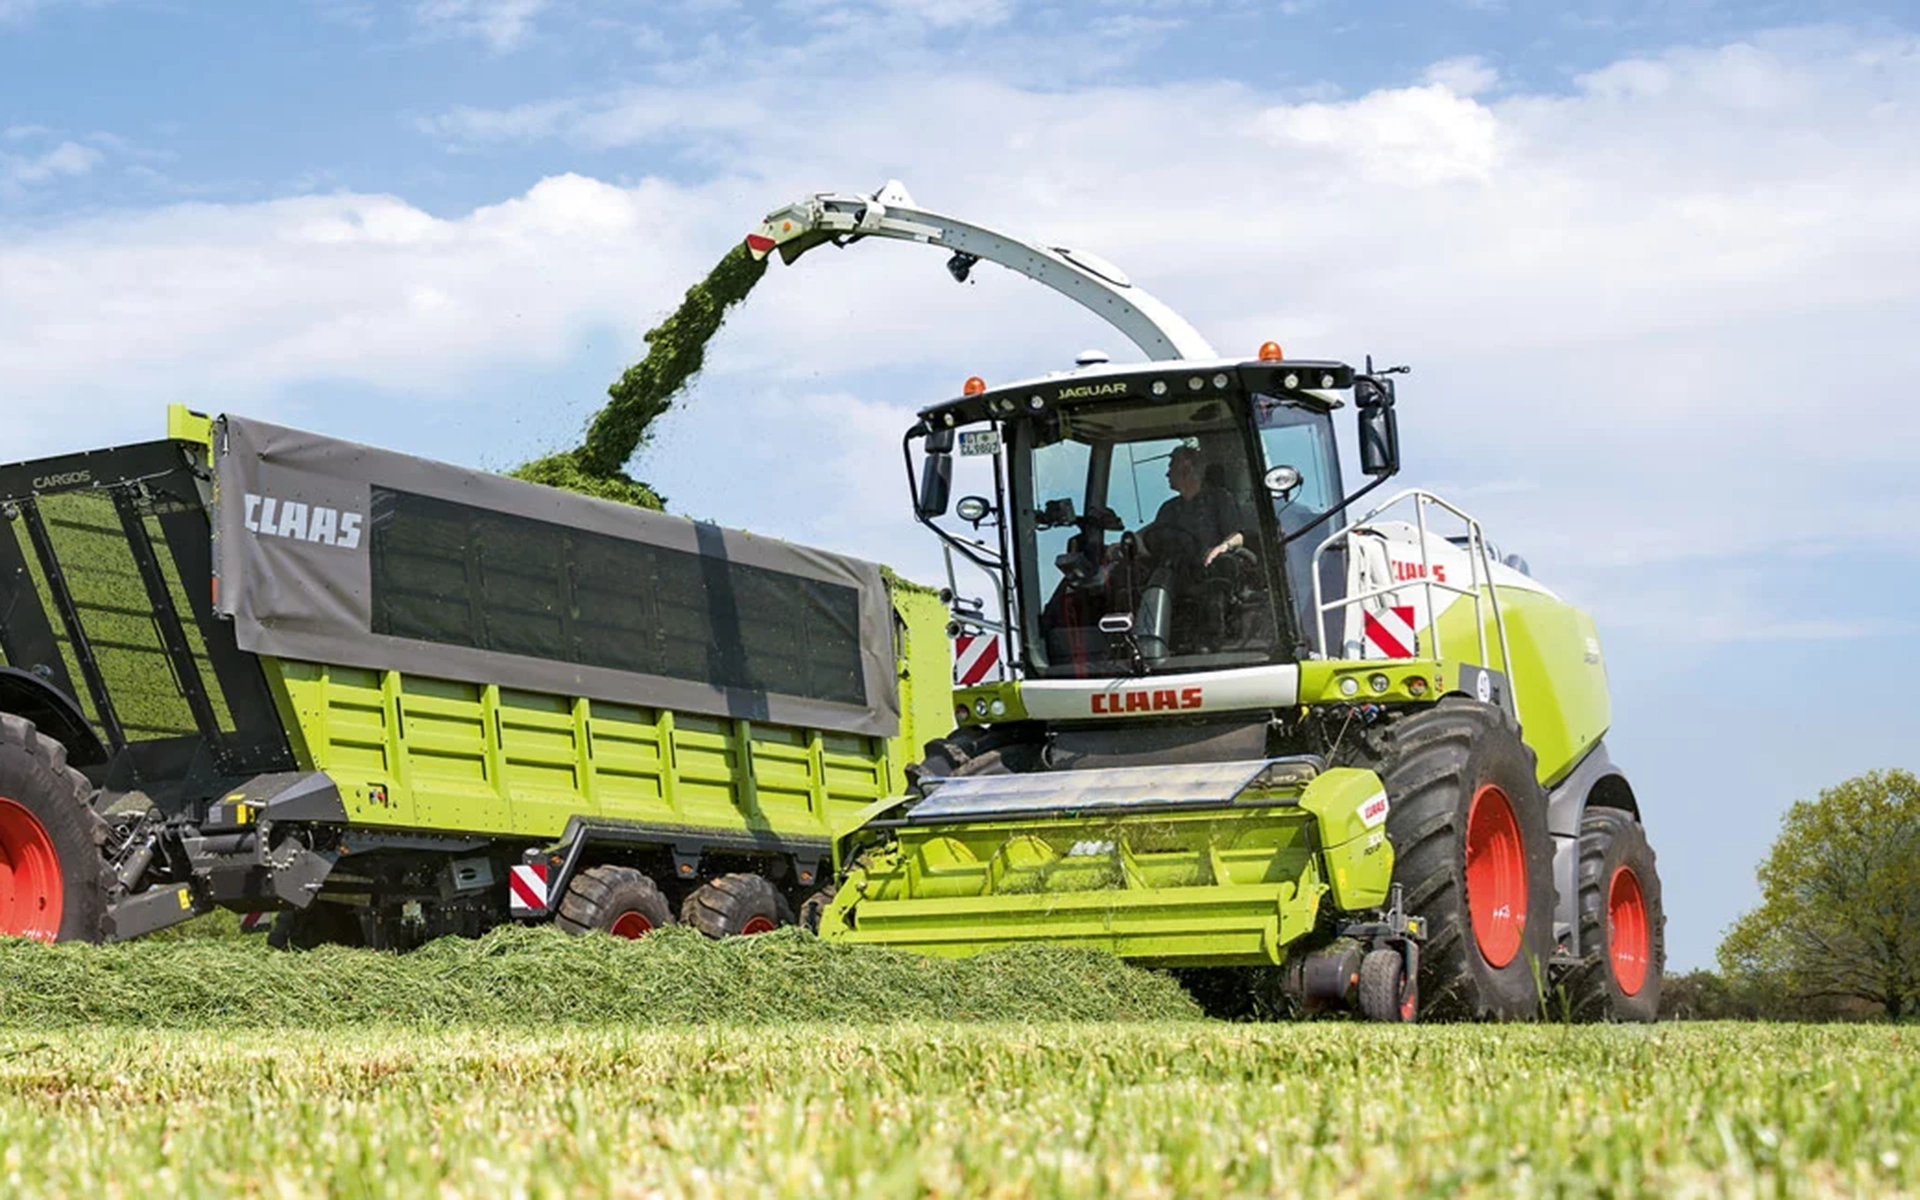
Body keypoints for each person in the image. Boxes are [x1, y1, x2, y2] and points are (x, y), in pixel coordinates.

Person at [1143, 445, 1251, 569]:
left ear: (1187, 469)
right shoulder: (1168, 509)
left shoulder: (1219, 499)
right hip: (1175, 575)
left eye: (1171, 467)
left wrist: (1222, 548)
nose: (1167, 474)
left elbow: (1237, 536)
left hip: (1211, 572)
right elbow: (1153, 543)